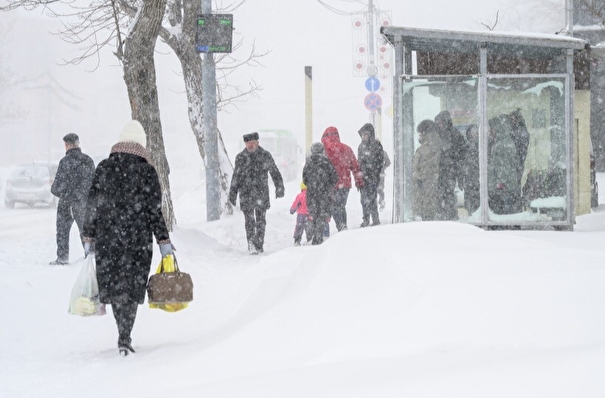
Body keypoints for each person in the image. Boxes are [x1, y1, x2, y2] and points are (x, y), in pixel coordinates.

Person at [82, 120, 174, 356]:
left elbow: (91, 206)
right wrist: (163, 241)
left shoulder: (104, 167)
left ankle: (121, 330)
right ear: (141, 143)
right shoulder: (147, 171)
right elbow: (154, 211)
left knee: (114, 286)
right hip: (137, 239)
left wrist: (89, 236)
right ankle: (125, 335)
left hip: (108, 238)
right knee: (132, 287)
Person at [229, 132, 285, 254]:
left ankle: (259, 243)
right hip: (246, 194)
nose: (250, 145)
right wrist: (233, 193)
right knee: (249, 221)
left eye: (252, 142)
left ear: (257, 143)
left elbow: (274, 171)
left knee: (261, 221)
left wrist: (279, 187)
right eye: (248, 143)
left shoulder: (265, 155)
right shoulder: (241, 157)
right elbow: (236, 176)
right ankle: (251, 244)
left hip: (261, 193)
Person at [49, 133, 95, 265]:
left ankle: (62, 258)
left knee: (63, 230)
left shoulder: (65, 162)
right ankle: (90, 256)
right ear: (78, 144)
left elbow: (56, 188)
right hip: (83, 203)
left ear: (66, 145)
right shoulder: (88, 160)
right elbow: (94, 184)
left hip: (66, 203)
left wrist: (64, 192)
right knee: (86, 230)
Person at [321, 126, 363, 231]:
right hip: (345, 184)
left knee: (334, 206)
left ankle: (340, 226)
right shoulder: (347, 149)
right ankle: (343, 225)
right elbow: (355, 167)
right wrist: (359, 182)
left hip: (330, 184)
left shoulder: (324, 149)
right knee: (341, 205)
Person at [434, 110, 468, 220]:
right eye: (437, 123)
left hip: (450, 170)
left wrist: (457, 167)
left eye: (441, 122)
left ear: (446, 122)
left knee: (448, 193)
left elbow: (462, 153)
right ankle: (442, 214)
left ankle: (450, 215)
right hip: (440, 170)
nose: (439, 125)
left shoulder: (455, 135)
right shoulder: (437, 135)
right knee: (439, 194)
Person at [302, 142, 338, 245]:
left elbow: (304, 180)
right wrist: (327, 186)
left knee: (313, 215)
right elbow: (334, 178)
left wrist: (312, 185)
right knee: (322, 216)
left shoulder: (308, 163)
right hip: (324, 194)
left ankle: (313, 235)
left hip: (312, 194)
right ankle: (318, 237)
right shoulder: (327, 162)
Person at [487, 115, 522, 215]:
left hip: (502, 188)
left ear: (498, 128)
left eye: (492, 129)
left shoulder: (502, 145)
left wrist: (499, 185)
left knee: (502, 216)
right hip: (503, 187)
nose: (490, 131)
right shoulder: (502, 143)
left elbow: (504, 168)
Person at [412, 120, 442, 221]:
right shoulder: (434, 146)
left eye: (420, 134)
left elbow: (426, 167)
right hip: (427, 185)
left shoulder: (427, 148)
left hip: (426, 185)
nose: (419, 137)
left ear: (425, 133)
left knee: (428, 211)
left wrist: (419, 177)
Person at [357, 123, 384, 227]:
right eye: (362, 135)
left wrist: (373, 171)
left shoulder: (376, 145)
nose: (363, 137)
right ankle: (366, 219)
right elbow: (359, 161)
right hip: (363, 177)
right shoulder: (361, 146)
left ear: (370, 135)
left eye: (365, 135)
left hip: (372, 177)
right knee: (363, 199)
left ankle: (375, 219)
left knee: (372, 198)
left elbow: (380, 161)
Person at [461, 124, 480, 215]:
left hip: (478, 181)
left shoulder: (482, 146)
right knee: (470, 203)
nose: (474, 134)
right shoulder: (466, 146)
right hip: (469, 180)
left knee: (477, 203)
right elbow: (462, 163)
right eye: (473, 132)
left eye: (476, 132)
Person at [509, 108, 530, 186]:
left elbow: (522, 149)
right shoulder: (514, 130)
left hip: (517, 162)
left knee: (516, 182)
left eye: (513, 119)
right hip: (516, 162)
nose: (511, 121)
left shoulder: (520, 131)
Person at [290, 182, 312, 246]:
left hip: (301, 215)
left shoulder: (300, 195)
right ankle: (310, 239)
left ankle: (297, 240)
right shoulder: (311, 195)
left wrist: (292, 210)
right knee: (309, 228)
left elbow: (295, 204)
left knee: (299, 228)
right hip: (309, 215)